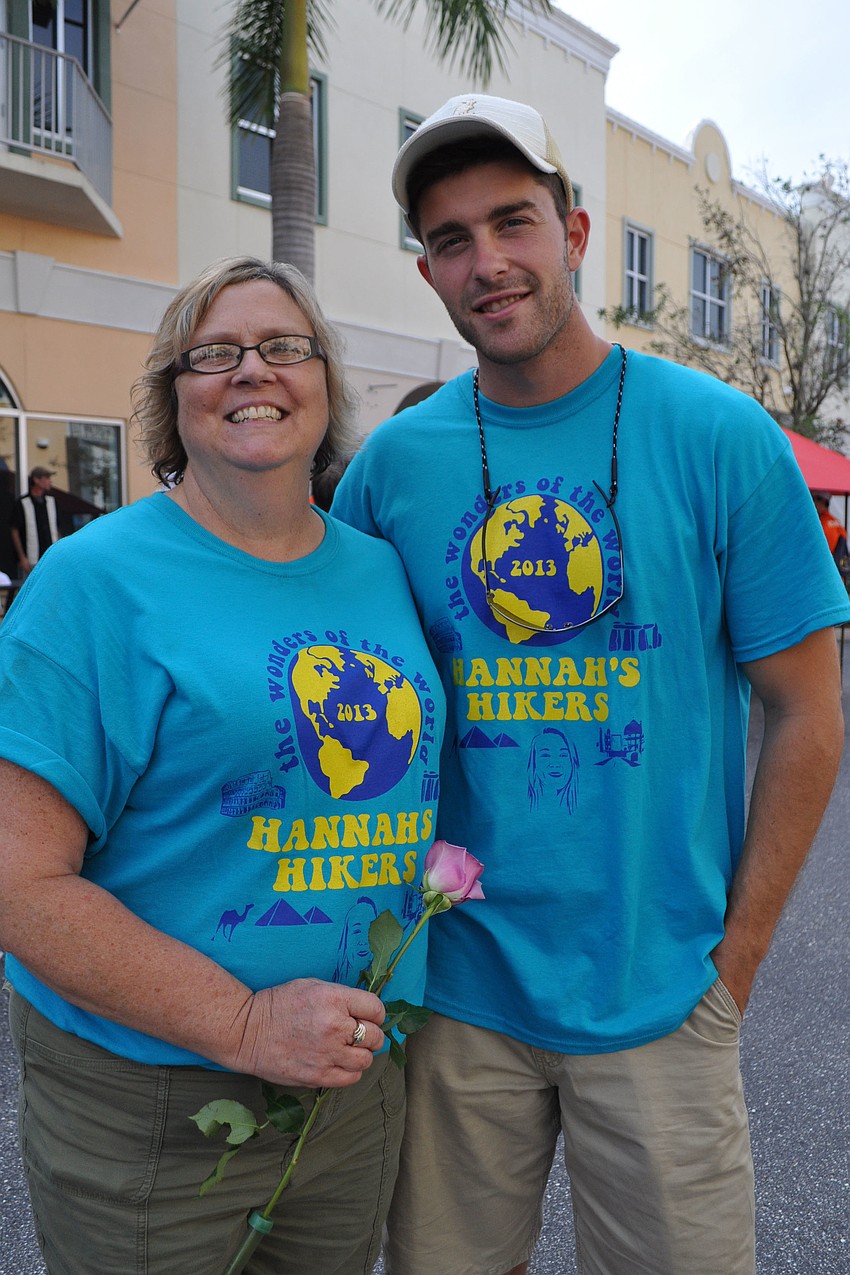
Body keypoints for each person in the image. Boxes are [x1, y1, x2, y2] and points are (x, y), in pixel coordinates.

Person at [331, 95, 850, 1275]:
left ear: (571, 231)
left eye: (510, 222)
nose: (487, 262)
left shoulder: (719, 437)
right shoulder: (392, 470)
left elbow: (807, 709)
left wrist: (738, 962)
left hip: (662, 997)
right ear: (427, 272)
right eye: (451, 240)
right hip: (457, 995)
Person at [0, 256, 445, 1275]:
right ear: (172, 395)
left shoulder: (379, 570)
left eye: (284, 347)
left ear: (325, 382)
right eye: (214, 353)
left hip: (354, 1085)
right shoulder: (93, 583)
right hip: (152, 1100)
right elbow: (16, 879)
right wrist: (239, 1022)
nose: (253, 370)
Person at [9, 465, 60, 577]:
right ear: (36, 480)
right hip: (32, 558)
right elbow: (15, 530)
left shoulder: (52, 501)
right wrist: (22, 557)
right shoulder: (23, 503)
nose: (50, 481)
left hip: (52, 556)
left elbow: (56, 528)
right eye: (46, 478)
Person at [813, 489, 850, 586]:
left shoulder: (821, 525)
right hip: (837, 577)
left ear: (823, 502)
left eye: (814, 499)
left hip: (825, 577)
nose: (812, 503)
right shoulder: (835, 522)